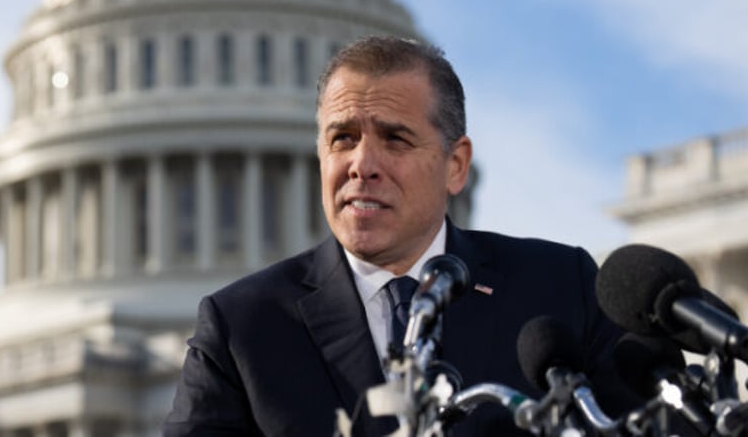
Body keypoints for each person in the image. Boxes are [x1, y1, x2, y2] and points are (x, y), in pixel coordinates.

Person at [163, 36, 631, 436]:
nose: (361, 166)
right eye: (342, 138)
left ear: (455, 165)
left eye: (395, 140)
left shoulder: (560, 289)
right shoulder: (241, 330)